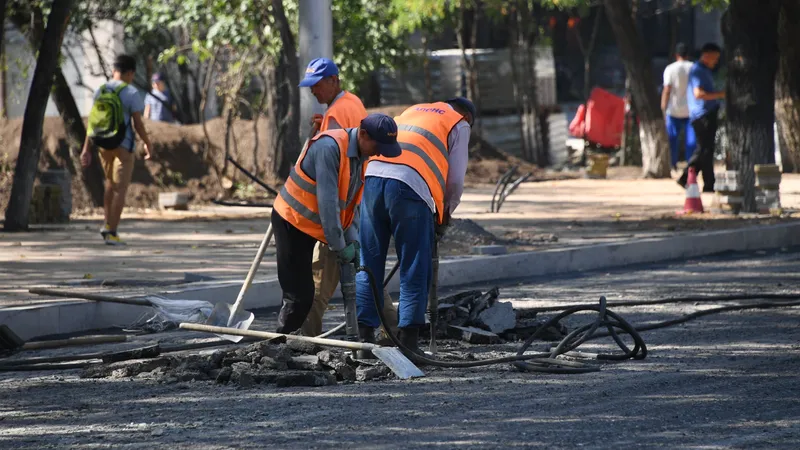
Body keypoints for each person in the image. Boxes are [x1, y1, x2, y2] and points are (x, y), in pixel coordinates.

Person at [355, 98, 475, 355]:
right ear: (467, 116)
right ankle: (409, 343)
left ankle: (363, 341)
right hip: (409, 186)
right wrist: (444, 216)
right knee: (414, 264)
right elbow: (455, 181)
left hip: (373, 178)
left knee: (368, 262)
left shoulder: (413, 110)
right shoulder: (459, 123)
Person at [296, 58, 400, 339]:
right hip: (357, 203)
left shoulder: (335, 115)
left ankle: (302, 339)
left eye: (317, 85)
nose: (313, 91)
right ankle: (396, 333)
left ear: (334, 80)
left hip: (340, 212)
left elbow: (329, 177)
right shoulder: (352, 103)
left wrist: (335, 232)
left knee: (320, 280)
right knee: (366, 273)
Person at [271, 113, 402, 335]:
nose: (379, 152)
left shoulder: (361, 156)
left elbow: (350, 204)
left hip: (314, 225)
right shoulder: (329, 148)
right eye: (378, 146)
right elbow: (328, 205)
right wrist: (340, 247)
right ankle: (279, 345)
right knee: (299, 296)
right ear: (363, 134)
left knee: (307, 294)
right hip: (292, 221)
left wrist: (353, 241)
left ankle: (295, 343)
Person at [80, 54, 153, 246]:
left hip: (103, 145)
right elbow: (138, 123)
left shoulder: (101, 90)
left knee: (110, 185)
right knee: (121, 189)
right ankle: (112, 231)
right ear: (130, 73)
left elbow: (92, 123)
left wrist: (86, 149)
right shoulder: (131, 92)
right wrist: (147, 142)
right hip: (123, 145)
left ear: (114, 71)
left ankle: (107, 223)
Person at [679, 43, 725, 192]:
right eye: (714, 58)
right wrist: (721, 94)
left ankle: (708, 183)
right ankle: (686, 176)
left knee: (707, 150)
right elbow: (698, 94)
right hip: (702, 115)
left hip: (706, 113)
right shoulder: (698, 70)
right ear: (706, 55)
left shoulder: (704, 70)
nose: (716, 62)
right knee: (703, 149)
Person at [661, 43, 696, 170]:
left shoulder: (670, 69)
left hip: (673, 110)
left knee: (672, 140)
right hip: (691, 110)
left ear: (676, 55)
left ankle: (673, 165)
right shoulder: (694, 67)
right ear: (688, 55)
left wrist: (663, 106)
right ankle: (691, 165)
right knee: (691, 141)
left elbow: (667, 89)